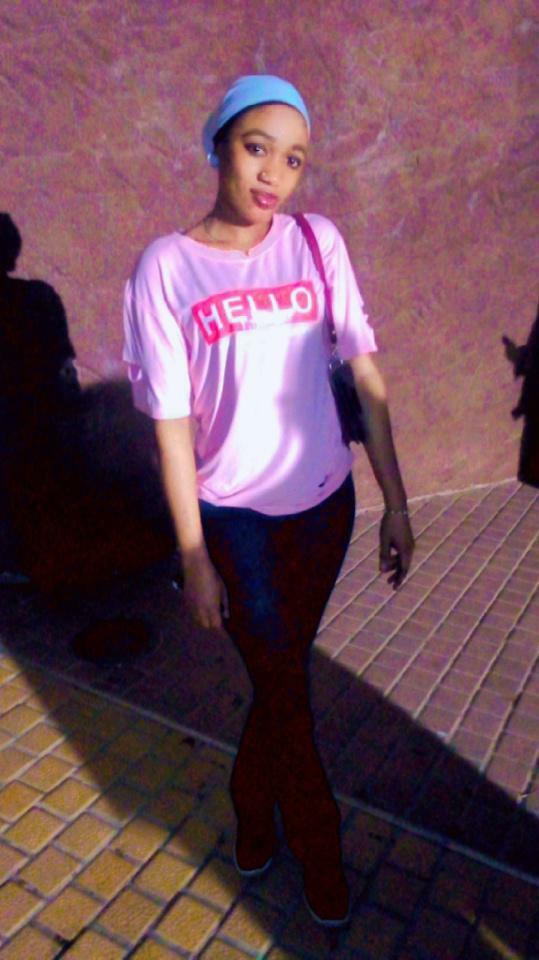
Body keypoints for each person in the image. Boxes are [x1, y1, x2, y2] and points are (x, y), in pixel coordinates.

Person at [123, 75, 415, 926]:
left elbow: (365, 377)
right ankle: (318, 845)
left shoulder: (316, 242)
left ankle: (252, 809)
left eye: (293, 160)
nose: (273, 175)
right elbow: (171, 428)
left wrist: (396, 503)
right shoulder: (165, 267)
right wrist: (192, 555)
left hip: (324, 509)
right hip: (234, 521)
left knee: (279, 680)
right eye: (257, 148)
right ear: (217, 144)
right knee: (286, 689)